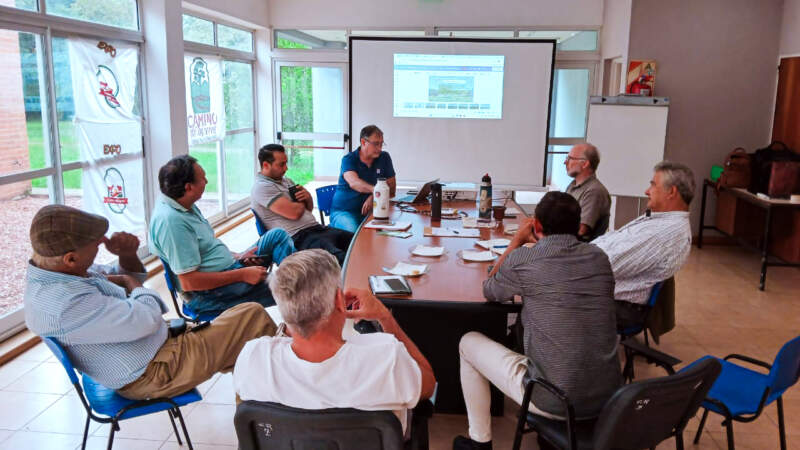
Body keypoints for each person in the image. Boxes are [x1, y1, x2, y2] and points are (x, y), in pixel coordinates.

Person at [24, 204, 278, 399]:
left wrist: (127, 256)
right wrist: (133, 285)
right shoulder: (64, 302)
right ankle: (268, 420)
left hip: (157, 350)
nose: (101, 246)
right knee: (253, 319)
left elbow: (125, 277)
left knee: (249, 344)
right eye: (94, 246)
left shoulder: (61, 273)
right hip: (152, 372)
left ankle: (262, 415)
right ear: (70, 258)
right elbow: (146, 316)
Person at [453, 192, 621, 450]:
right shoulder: (599, 258)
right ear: (578, 227)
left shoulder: (526, 259)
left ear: (537, 225)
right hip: (608, 399)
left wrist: (517, 240)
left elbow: (490, 289)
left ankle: (479, 442)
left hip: (554, 400)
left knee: (468, 342)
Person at [233, 249, 436, 434]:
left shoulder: (254, 358)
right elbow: (428, 385)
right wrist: (385, 316)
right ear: (340, 300)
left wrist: (293, 319)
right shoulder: (386, 357)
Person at [149, 155, 295, 318]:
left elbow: (207, 246)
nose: (206, 181)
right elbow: (189, 282)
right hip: (208, 295)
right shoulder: (172, 223)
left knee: (277, 236)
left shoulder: (183, 203)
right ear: (189, 187)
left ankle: (300, 276)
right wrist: (243, 274)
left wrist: (238, 257)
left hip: (229, 269)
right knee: (289, 287)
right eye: (203, 178)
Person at [592, 161, 694, 329]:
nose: (647, 191)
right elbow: (611, 243)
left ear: (672, 192)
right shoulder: (660, 220)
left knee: (542, 288)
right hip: (606, 291)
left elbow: (602, 266)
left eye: (653, 185)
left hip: (617, 306)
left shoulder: (664, 234)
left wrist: (566, 258)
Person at [251, 144, 353, 266]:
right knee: (340, 259)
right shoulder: (262, 187)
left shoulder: (286, 181)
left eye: (286, 163)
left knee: (357, 243)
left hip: (317, 229)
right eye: (281, 164)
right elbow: (294, 213)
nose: (286, 168)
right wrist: (300, 202)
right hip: (298, 237)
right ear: (266, 165)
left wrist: (308, 197)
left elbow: (308, 209)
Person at [329, 125, 396, 232]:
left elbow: (392, 189)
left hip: (372, 212)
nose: (379, 148)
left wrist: (373, 196)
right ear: (363, 142)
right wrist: (377, 191)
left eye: (381, 143)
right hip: (344, 212)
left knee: (391, 232)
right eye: (376, 144)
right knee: (353, 232)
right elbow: (354, 183)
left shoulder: (384, 157)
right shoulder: (348, 159)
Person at [563, 143, 611, 239]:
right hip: (563, 242)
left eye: (570, 158)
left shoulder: (595, 191)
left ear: (585, 164)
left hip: (576, 248)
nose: (565, 162)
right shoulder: (572, 186)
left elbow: (581, 231)